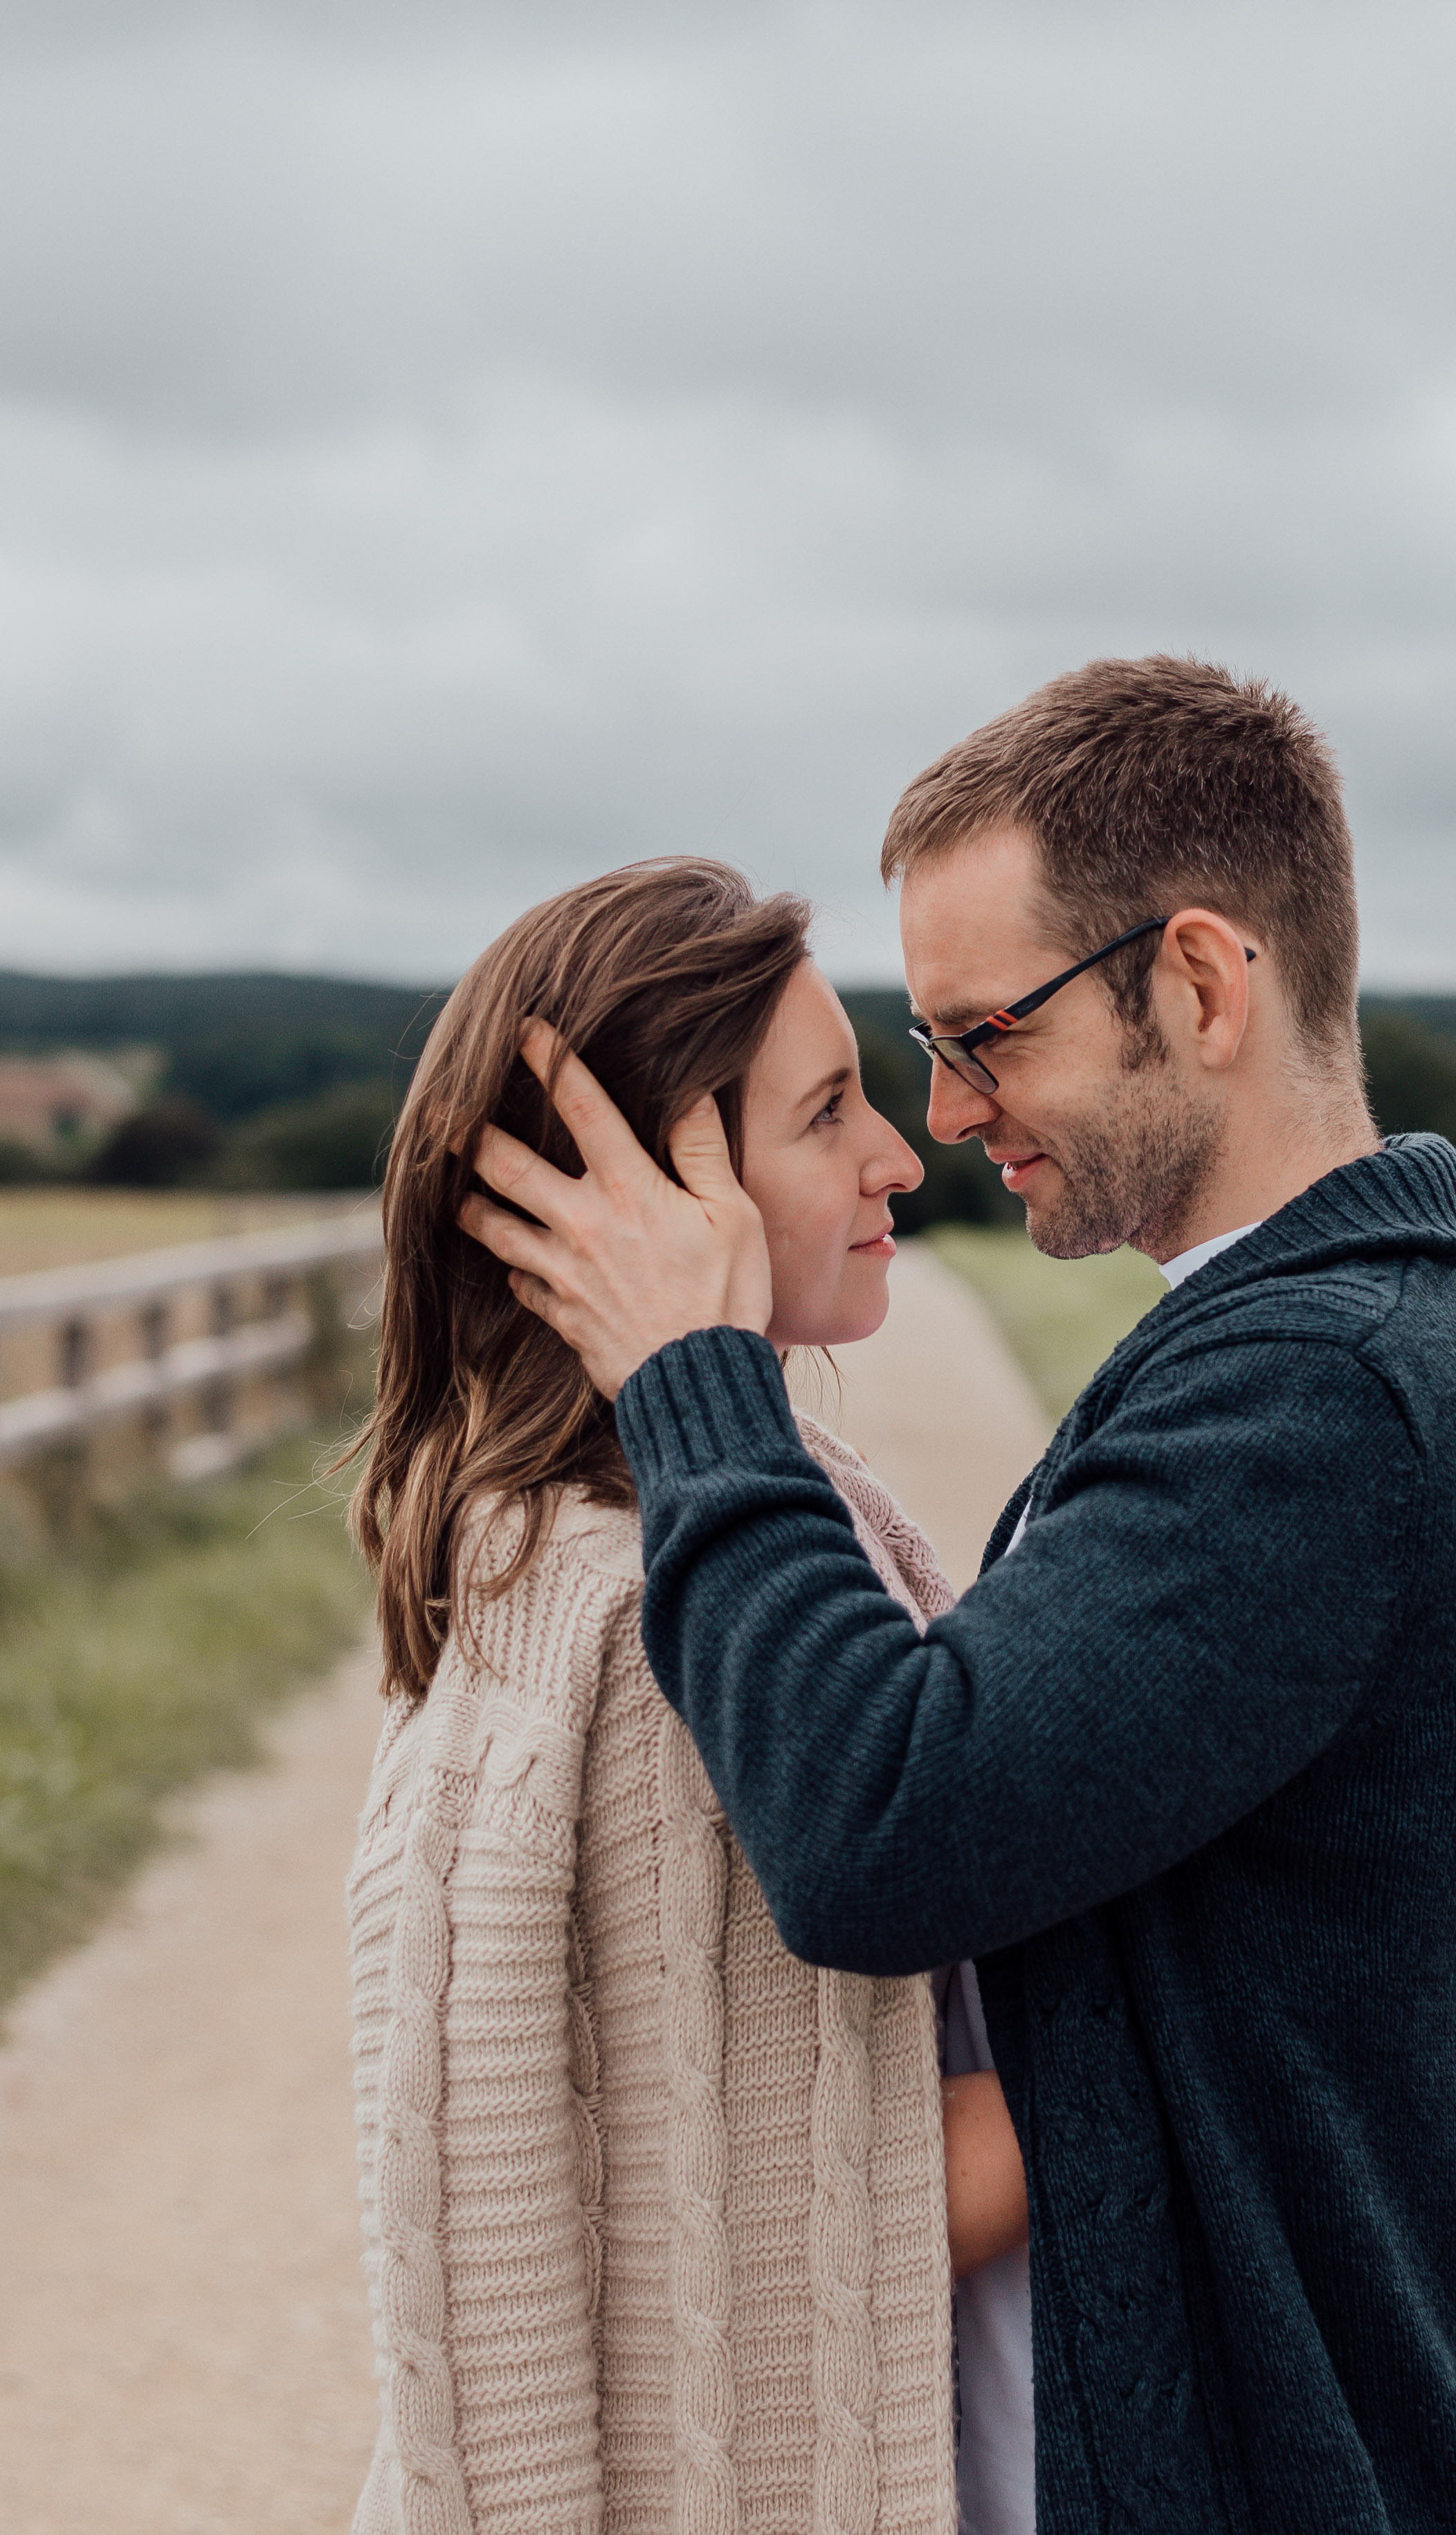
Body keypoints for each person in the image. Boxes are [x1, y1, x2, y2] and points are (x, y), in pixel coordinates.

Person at [460, 659, 1456, 2535]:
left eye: (986, 1031)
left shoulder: (1318, 1390)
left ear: (1203, 983)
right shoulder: (1271, 1338)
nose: (945, 1108)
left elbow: (879, 1826)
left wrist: (692, 1380)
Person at [343, 859, 1027, 2535]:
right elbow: (761, 2231)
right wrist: (1215, 2025)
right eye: (824, 1114)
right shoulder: (636, 1623)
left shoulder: (775, 1505)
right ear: (654, 1194)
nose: (896, 1151)